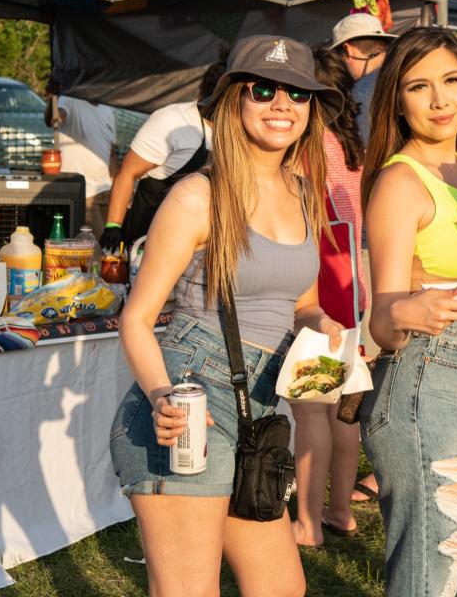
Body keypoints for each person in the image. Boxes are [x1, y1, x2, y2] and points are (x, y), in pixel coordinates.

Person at [108, 35, 345, 597]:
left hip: (260, 409)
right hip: (191, 400)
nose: (282, 104)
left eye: (298, 94)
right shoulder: (199, 196)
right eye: (264, 91)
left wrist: (323, 328)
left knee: (283, 589)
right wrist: (164, 394)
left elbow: (303, 303)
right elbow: (137, 318)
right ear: (232, 102)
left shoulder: (307, 194)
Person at [360, 27, 457, 597]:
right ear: (396, 102)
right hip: (426, 379)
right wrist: (410, 306)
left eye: (452, 81)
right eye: (418, 87)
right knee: (434, 575)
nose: (439, 100)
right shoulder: (401, 181)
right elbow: (380, 320)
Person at [289, 46, 369, 547]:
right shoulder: (351, 141)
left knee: (313, 407)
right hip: (352, 279)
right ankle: (339, 509)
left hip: (319, 278)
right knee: (344, 407)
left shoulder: (305, 143)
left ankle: (308, 521)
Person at [101, 63, 224, 252]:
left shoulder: (240, 130)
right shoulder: (172, 121)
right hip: (150, 238)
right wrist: (113, 226)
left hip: (202, 241)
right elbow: (127, 173)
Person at [44, 80, 116, 235]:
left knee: (111, 248)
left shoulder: (107, 110)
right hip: (84, 193)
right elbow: (53, 119)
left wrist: (117, 186)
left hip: (105, 190)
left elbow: (111, 153)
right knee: (96, 245)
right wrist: (52, 98)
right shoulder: (71, 100)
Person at [331, 12, 396, 143]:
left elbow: (366, 154)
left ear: (347, 50)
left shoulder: (360, 92)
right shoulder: (406, 73)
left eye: (338, 57)